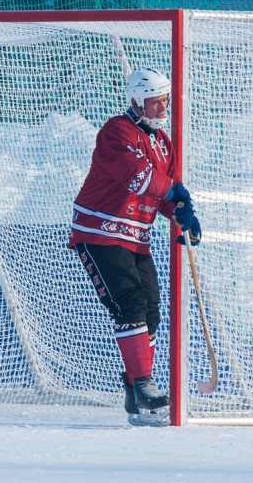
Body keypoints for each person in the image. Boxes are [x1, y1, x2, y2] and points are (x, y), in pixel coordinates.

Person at [68, 67, 202, 427]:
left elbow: (163, 195)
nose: (162, 109)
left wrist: (183, 215)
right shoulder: (117, 130)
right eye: (155, 103)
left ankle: (135, 395)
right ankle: (144, 385)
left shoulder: (164, 144)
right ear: (135, 102)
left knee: (152, 311)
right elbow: (139, 177)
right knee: (130, 302)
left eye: (164, 101)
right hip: (99, 231)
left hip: (136, 237)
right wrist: (173, 192)